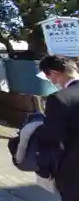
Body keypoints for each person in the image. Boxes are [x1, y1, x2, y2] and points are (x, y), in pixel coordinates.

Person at [34, 55, 79, 201]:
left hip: (73, 170)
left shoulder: (59, 98)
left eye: (47, 77)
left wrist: (34, 129)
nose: (50, 81)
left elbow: (52, 135)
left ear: (53, 73)